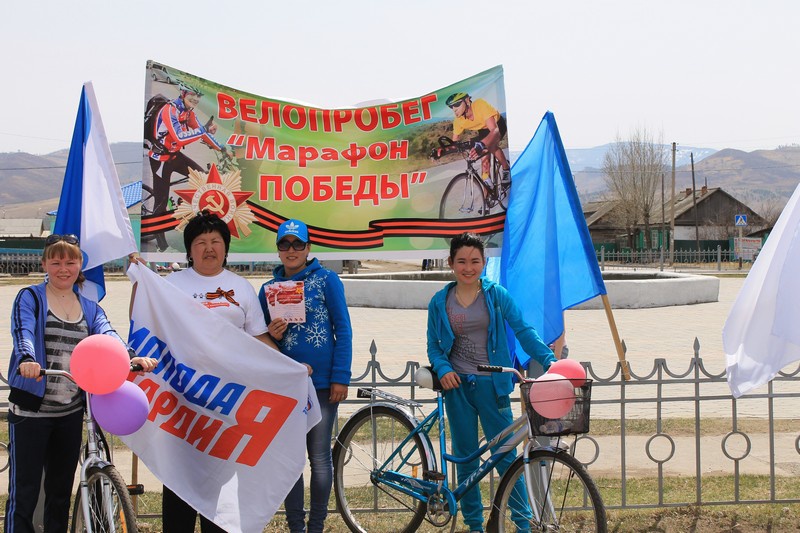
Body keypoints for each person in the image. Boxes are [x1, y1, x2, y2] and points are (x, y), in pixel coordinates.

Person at [6, 234, 158, 533]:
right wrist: (27, 358)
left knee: (60, 493)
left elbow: (108, 335)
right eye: (56, 261)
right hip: (31, 412)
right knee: (24, 493)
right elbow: (23, 330)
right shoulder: (31, 297)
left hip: (70, 411)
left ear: (80, 265)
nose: (64, 268)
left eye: (71, 261)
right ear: (44, 263)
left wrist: (130, 357)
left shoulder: (90, 307)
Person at [158, 210, 280, 532]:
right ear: (189, 249)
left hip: (228, 405)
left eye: (216, 241)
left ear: (226, 247)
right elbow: (150, 328)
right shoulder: (172, 285)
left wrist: (290, 369)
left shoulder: (240, 288)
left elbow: (259, 339)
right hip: (182, 405)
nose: (209, 247)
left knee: (222, 489)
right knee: (179, 486)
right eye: (201, 242)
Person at [426, 232, 557, 533]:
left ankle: (521, 524)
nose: (468, 267)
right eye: (461, 261)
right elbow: (434, 344)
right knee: (466, 460)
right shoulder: (440, 301)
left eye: (474, 261)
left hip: (492, 386)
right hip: (456, 387)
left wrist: (550, 362)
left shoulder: (496, 296)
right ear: (451, 263)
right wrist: (444, 368)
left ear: (484, 263)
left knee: (506, 458)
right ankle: (474, 525)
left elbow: (523, 330)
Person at [257, 219, 353, 533]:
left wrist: (341, 376)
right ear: (278, 249)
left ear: (308, 248)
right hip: (286, 387)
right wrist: (271, 332)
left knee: (320, 458)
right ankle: (296, 527)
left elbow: (344, 329)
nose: (292, 250)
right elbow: (260, 341)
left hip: (324, 385)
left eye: (298, 244)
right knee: (291, 461)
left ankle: (316, 527)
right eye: (285, 244)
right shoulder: (267, 290)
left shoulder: (327, 279)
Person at [147, 82, 227, 251]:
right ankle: (162, 246)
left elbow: (202, 132)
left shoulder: (187, 112)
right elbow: (180, 138)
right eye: (193, 95)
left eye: (198, 97)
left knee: (205, 178)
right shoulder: (170, 111)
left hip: (175, 156)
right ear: (183, 93)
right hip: (160, 158)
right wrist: (203, 130)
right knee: (160, 202)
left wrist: (222, 149)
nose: (196, 99)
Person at [445, 92, 511, 186]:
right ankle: (488, 194)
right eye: (451, 107)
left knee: (490, 146)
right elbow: (454, 142)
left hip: (496, 125)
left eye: (457, 104)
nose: (454, 109)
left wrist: (482, 144)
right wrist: (442, 150)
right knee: (484, 160)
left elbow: (494, 130)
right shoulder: (458, 120)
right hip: (483, 130)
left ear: (467, 100)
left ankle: (506, 168)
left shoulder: (479, 104)